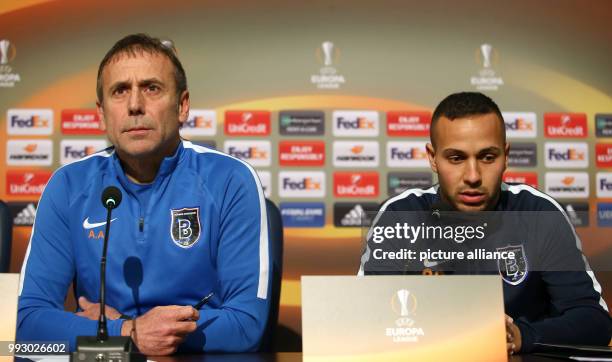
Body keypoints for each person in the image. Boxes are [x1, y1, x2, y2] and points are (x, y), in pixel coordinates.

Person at [17, 34, 271, 355]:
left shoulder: (230, 180)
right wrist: (128, 332)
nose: (135, 105)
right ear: (101, 114)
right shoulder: (69, 185)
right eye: (120, 91)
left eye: (151, 88)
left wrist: (125, 328)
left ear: (182, 106)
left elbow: (247, 325)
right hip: (108, 359)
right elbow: (26, 322)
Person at [359, 92, 612, 354]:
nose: (473, 176)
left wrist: (522, 336)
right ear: (433, 158)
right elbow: (363, 318)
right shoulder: (400, 216)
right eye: (456, 158)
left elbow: (593, 320)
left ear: (506, 155)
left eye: (487, 157)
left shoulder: (539, 213)